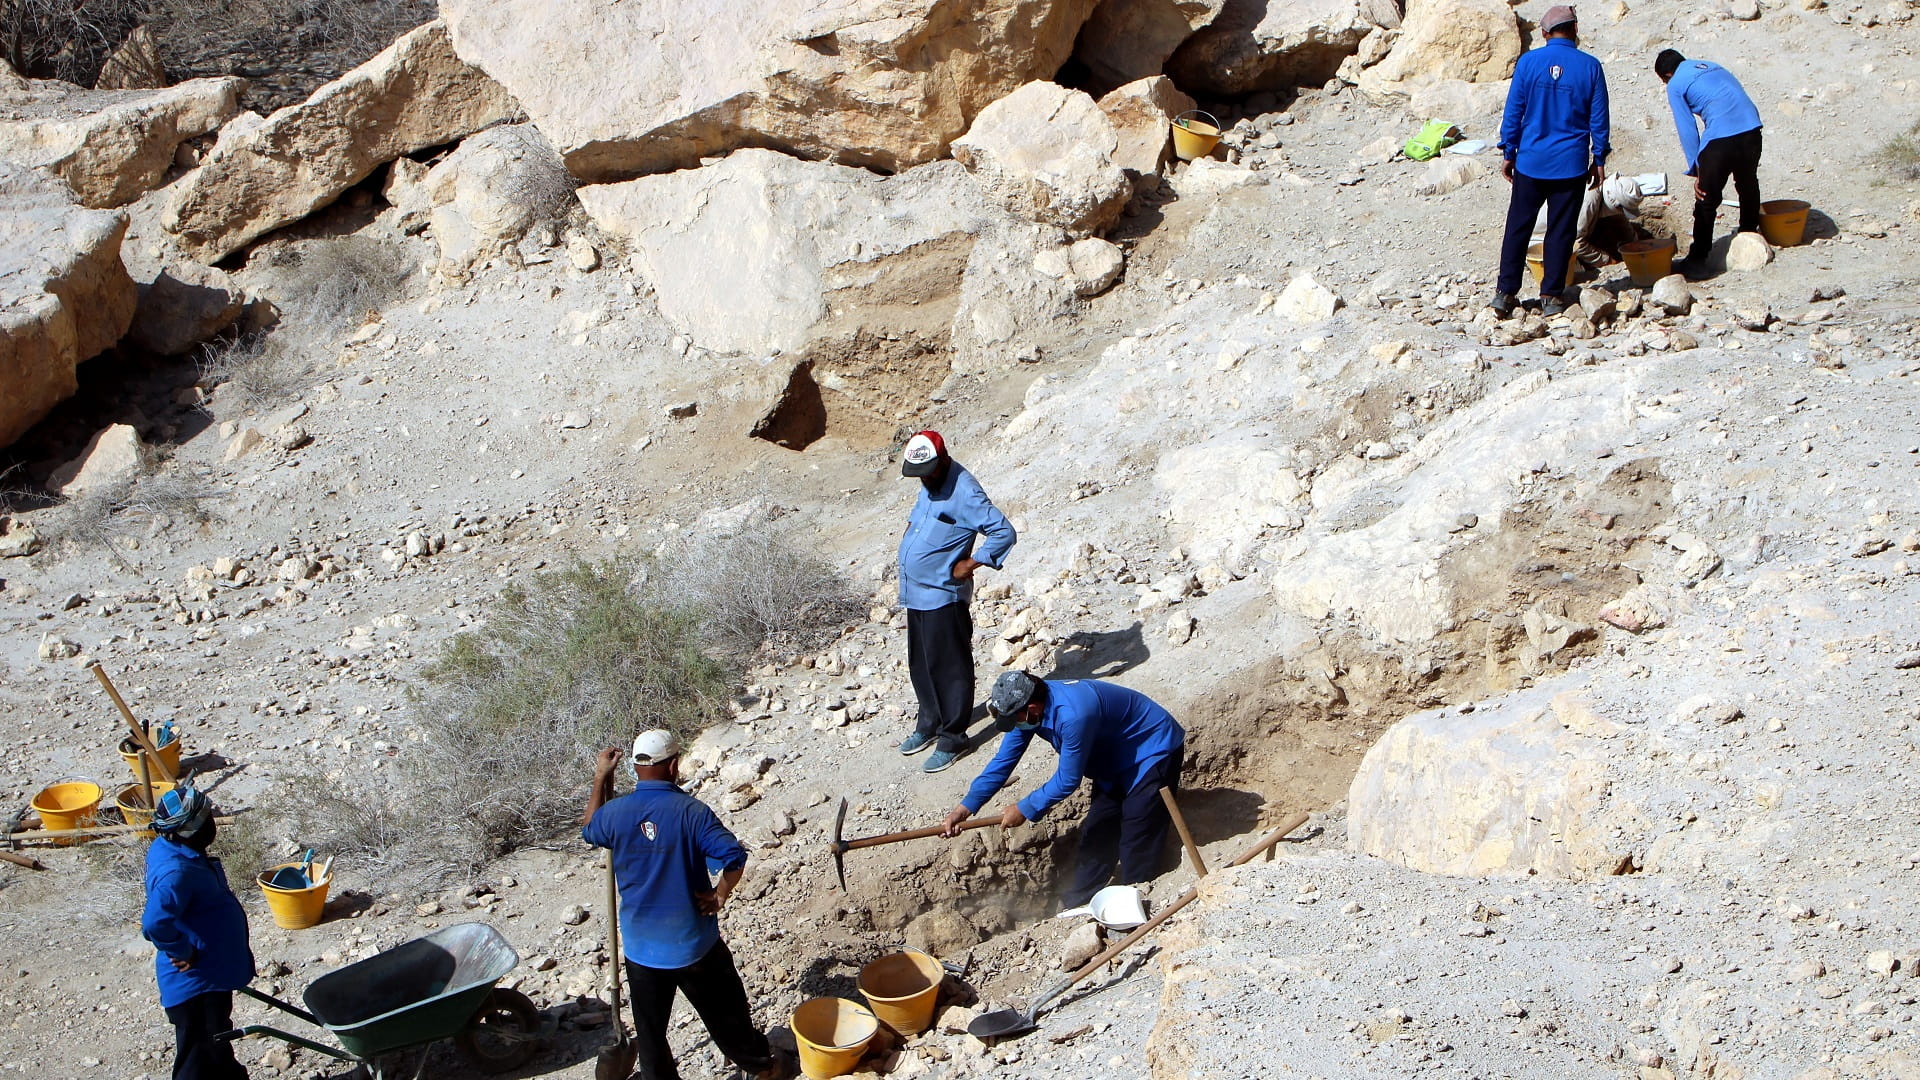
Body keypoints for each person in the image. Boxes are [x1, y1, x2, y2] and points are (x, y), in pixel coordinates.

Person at [583, 731, 779, 1080]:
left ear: (635, 768)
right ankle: (761, 1068)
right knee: (727, 1015)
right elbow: (733, 856)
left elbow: (589, 829)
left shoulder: (614, 815)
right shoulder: (692, 813)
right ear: (673, 765)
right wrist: (720, 893)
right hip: (693, 946)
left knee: (651, 1034)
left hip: (641, 950)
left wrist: (601, 776)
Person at [941, 672, 1186, 909]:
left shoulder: (1072, 714)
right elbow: (1002, 763)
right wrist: (965, 807)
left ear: (1032, 709)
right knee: (1098, 833)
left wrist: (1024, 808)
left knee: (1138, 834)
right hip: (1111, 758)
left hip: (1151, 750)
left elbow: (1068, 780)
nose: (1014, 725)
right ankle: (1075, 904)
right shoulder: (1026, 710)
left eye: (1014, 719)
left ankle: (1135, 900)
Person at [895, 430, 1016, 775]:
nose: (925, 479)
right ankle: (930, 721)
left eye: (930, 471)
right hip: (917, 593)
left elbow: (1003, 531)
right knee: (922, 664)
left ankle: (953, 736)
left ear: (944, 459)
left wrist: (971, 563)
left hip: (943, 596)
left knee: (949, 668)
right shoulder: (929, 482)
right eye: (919, 474)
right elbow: (921, 514)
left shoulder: (965, 490)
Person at [1492, 5, 1611, 318]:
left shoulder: (1529, 62)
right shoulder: (1591, 66)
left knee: (1518, 226)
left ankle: (1505, 293)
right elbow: (1598, 119)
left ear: (1545, 34)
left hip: (1530, 162)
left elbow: (1514, 110)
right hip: (1569, 164)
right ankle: (1551, 296)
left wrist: (1508, 151)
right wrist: (1599, 157)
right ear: (1574, 29)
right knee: (1561, 230)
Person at [141, 784, 255, 1080]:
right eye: (206, 820)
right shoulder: (176, 872)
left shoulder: (175, 849)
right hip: (197, 985)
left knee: (216, 1051)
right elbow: (154, 923)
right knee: (197, 1063)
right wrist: (181, 949)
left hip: (209, 977)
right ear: (190, 830)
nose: (212, 823)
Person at [1656, 49, 1763, 280]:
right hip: (1753, 128)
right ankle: (1748, 235)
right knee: (1747, 183)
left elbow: (1687, 129)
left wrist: (1697, 170)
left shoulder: (1676, 84)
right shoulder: (1712, 65)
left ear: (1667, 74)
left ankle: (1698, 260)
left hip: (1721, 137)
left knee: (1706, 197)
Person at [1532, 174, 1645, 267]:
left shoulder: (1606, 190)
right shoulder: (1587, 202)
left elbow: (1620, 220)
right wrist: (1607, 261)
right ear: (1614, 202)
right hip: (1542, 235)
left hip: (1570, 227)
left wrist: (1634, 243)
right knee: (1571, 268)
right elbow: (1576, 242)